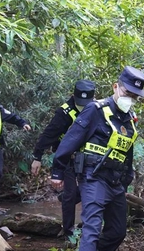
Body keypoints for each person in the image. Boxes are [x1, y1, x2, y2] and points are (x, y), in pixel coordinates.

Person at [50, 66, 144, 251]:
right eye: (128, 92)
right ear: (116, 87)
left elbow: (127, 153)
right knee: (91, 231)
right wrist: (58, 171)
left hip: (115, 183)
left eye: (135, 96)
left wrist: (127, 180)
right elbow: (70, 139)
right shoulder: (95, 110)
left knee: (117, 231)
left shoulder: (128, 119)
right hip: (93, 179)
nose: (131, 98)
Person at [31, 80, 96, 238]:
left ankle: (70, 204)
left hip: (89, 157)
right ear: (73, 96)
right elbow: (49, 134)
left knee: (89, 190)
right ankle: (68, 232)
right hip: (67, 157)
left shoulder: (97, 109)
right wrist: (37, 157)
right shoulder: (64, 113)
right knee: (70, 193)